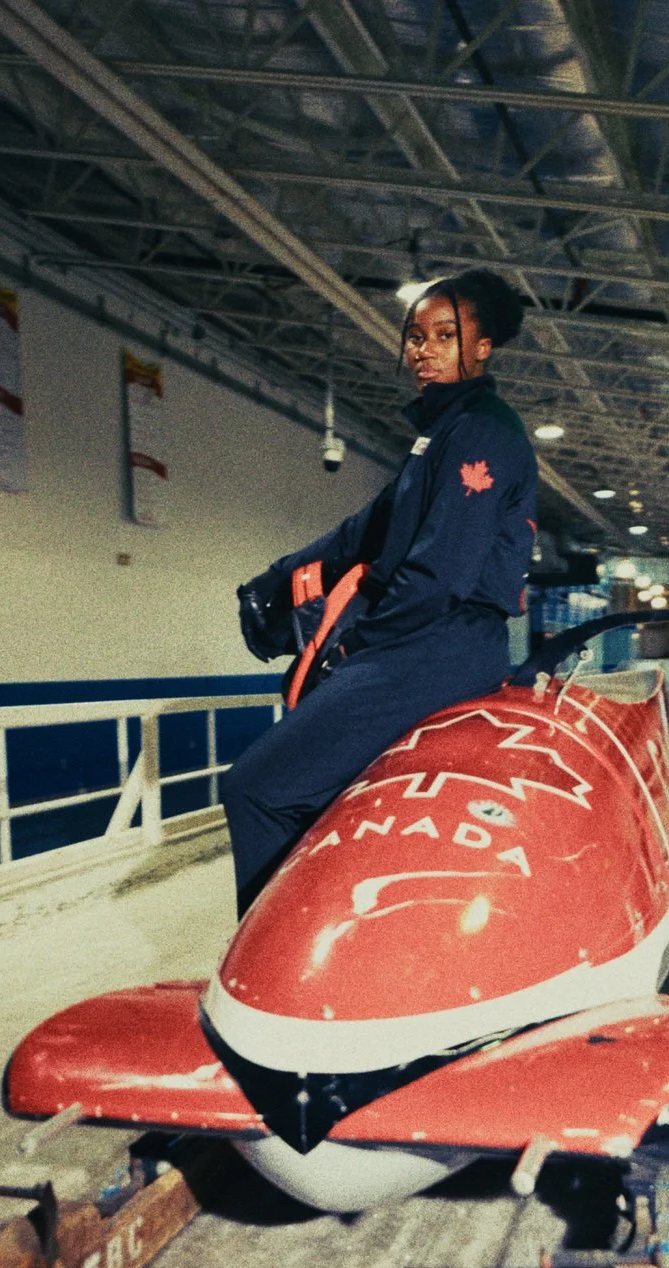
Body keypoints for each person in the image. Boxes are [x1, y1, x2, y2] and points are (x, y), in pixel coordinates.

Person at [221, 270, 538, 915]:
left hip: (437, 645)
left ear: (482, 348)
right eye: (417, 337)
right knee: (309, 784)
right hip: (424, 644)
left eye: (445, 336)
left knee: (256, 787)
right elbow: (366, 530)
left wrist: (357, 646)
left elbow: (440, 575)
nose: (424, 350)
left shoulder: (482, 430)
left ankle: (278, 954)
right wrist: (282, 579)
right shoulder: (438, 437)